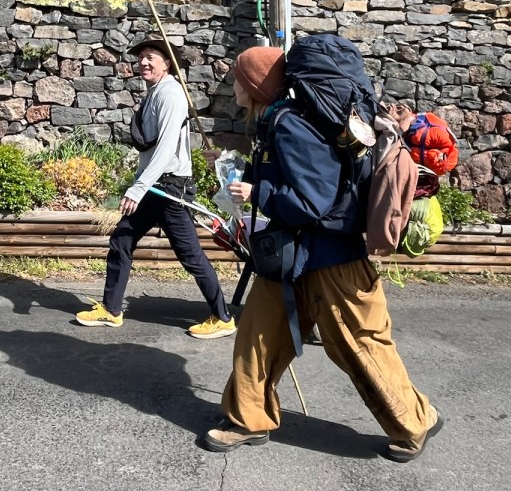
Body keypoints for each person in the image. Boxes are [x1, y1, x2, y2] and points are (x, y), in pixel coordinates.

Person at [202, 45, 444, 462]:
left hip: (332, 257)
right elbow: (292, 178)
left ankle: (415, 421)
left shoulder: (290, 126)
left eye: (238, 79)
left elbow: (313, 199)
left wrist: (260, 192)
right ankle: (248, 418)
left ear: (255, 86)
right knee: (257, 334)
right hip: (293, 255)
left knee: (357, 345)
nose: (233, 86)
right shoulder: (277, 122)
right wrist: (239, 175)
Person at [75, 35, 236, 340]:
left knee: (190, 255)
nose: (143, 62)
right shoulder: (155, 93)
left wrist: (137, 188)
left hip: (171, 189)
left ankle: (223, 317)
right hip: (155, 187)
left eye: (151, 57)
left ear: (167, 64)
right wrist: (142, 185)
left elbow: (164, 149)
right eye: (141, 57)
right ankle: (111, 309)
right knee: (122, 239)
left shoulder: (171, 95)